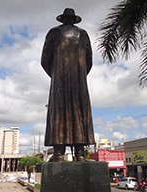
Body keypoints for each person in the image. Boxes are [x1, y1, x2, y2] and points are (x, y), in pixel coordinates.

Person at [41, 8, 95, 162]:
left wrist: (55, 74)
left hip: (59, 79)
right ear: (73, 19)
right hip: (79, 80)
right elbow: (89, 60)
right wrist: (80, 75)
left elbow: (45, 59)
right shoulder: (83, 34)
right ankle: (79, 153)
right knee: (79, 112)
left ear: (63, 19)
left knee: (59, 111)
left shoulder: (54, 33)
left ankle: (58, 154)